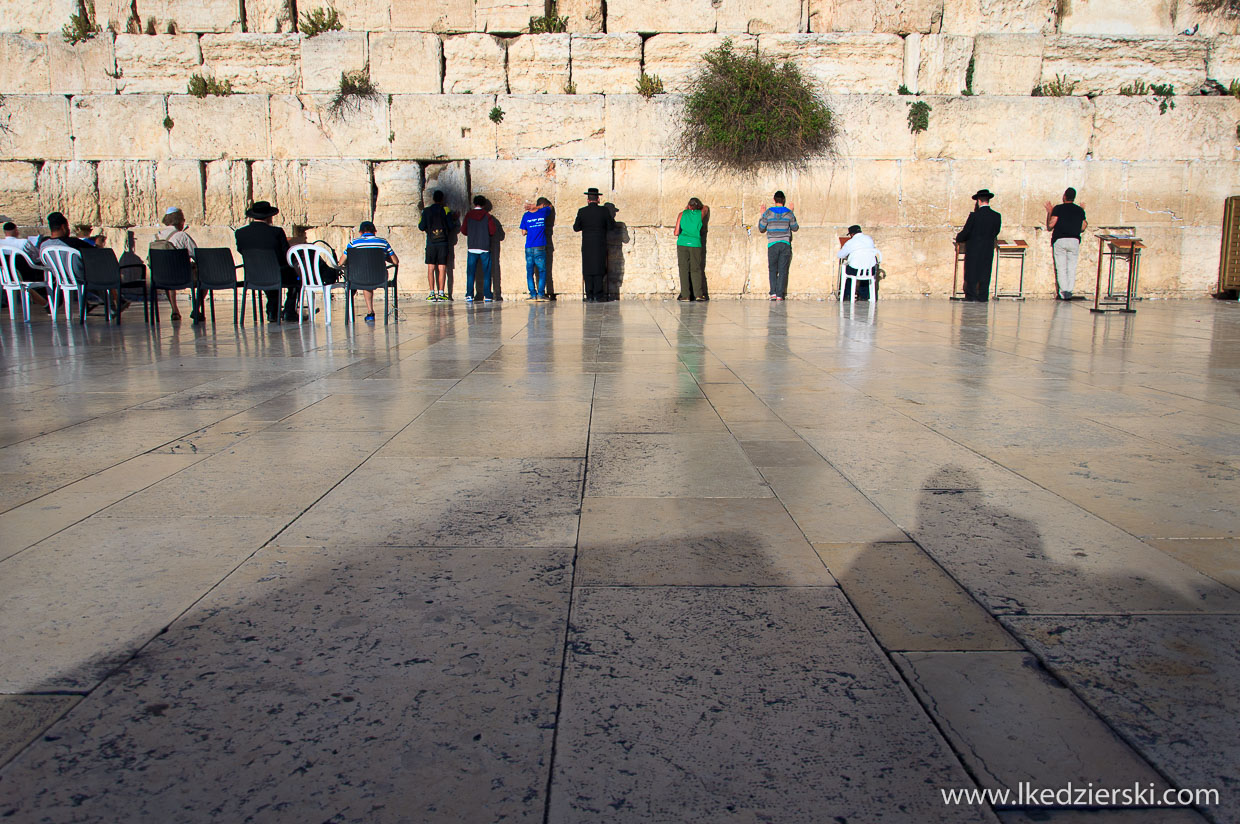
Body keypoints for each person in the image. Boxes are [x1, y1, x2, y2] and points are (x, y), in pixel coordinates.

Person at [234, 200, 297, 322]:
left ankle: (273, 310)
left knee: (270, 274)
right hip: (276, 274)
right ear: (269, 217)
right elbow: (286, 254)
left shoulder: (240, 233)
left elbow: (241, 250)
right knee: (297, 278)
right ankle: (289, 311)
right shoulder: (276, 232)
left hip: (253, 275)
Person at [341, 220, 398, 322]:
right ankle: (370, 312)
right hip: (379, 277)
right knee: (369, 276)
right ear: (374, 232)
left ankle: (370, 312)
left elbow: (340, 262)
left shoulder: (353, 243)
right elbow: (395, 261)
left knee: (365, 277)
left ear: (361, 232)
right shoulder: (383, 242)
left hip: (358, 277)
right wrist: (384, 257)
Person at [955, 189, 1002, 302]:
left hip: (974, 249)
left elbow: (966, 232)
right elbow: (996, 231)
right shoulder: (996, 216)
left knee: (971, 272)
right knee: (985, 272)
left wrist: (959, 238)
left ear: (979, 201)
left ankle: (971, 296)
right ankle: (983, 296)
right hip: (988, 249)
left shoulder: (974, 216)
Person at [151, 206, 198, 321]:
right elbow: (197, 255)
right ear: (180, 220)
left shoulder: (156, 236)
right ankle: (196, 309)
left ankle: (175, 309)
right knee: (203, 278)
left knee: (169, 271)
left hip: (161, 277)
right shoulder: (182, 236)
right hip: (183, 277)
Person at [573, 186, 616, 302]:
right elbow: (611, 226)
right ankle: (598, 295)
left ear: (588, 199)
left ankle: (589, 295)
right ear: (598, 199)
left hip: (587, 244)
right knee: (599, 268)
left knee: (587, 269)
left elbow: (576, 228)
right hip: (600, 244)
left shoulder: (582, 211)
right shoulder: (604, 211)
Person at [1045, 187, 1088, 301]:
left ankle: (1063, 292)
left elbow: (1051, 225)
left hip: (1060, 239)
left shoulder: (1058, 208)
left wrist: (1050, 212)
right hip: (1074, 240)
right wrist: (1081, 211)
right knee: (1071, 267)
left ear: (1064, 196)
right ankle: (1069, 291)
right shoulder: (1079, 210)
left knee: (1061, 267)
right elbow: (1083, 226)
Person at [758, 190, 798, 301]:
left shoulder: (768, 213)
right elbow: (795, 227)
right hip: (785, 243)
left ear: (774, 200)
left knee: (772, 269)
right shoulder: (789, 213)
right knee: (783, 269)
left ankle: (773, 293)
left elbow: (761, 228)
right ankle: (780, 294)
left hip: (772, 244)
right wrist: (792, 212)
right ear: (784, 200)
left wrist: (762, 215)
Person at [418, 190, 457, 301]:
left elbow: (421, 226)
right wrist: (453, 219)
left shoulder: (426, 211)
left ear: (433, 199)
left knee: (431, 267)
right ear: (442, 199)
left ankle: (431, 293)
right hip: (443, 242)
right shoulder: (446, 210)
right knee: (442, 267)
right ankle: (441, 293)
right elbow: (450, 226)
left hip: (431, 242)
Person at [463, 195, 499, 303]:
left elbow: (464, 230)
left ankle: (469, 294)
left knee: (470, 273)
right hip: (484, 248)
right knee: (487, 273)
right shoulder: (487, 216)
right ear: (484, 205)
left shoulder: (469, 215)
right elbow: (492, 231)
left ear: (474, 203)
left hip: (472, 247)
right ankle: (487, 295)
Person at [675, 197, 710, 302]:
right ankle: (698, 294)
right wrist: (698, 207)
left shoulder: (682, 214)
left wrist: (686, 209)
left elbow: (676, 232)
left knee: (683, 269)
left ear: (688, 206)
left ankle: (685, 295)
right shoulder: (700, 214)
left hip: (682, 243)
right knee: (696, 269)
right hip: (695, 244)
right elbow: (706, 208)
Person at [837, 224, 882, 300]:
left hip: (855, 269)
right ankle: (864, 296)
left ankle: (847, 295)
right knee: (864, 273)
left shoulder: (851, 242)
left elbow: (840, 255)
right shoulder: (869, 239)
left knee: (849, 273)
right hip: (870, 270)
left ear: (852, 234)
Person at [520, 197, 552, 301]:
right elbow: (550, 207)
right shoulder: (543, 212)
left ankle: (533, 294)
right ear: (542, 205)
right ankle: (541, 294)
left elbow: (523, 232)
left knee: (530, 272)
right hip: (540, 246)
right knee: (542, 271)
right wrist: (537, 207)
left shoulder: (526, 216)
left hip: (529, 246)